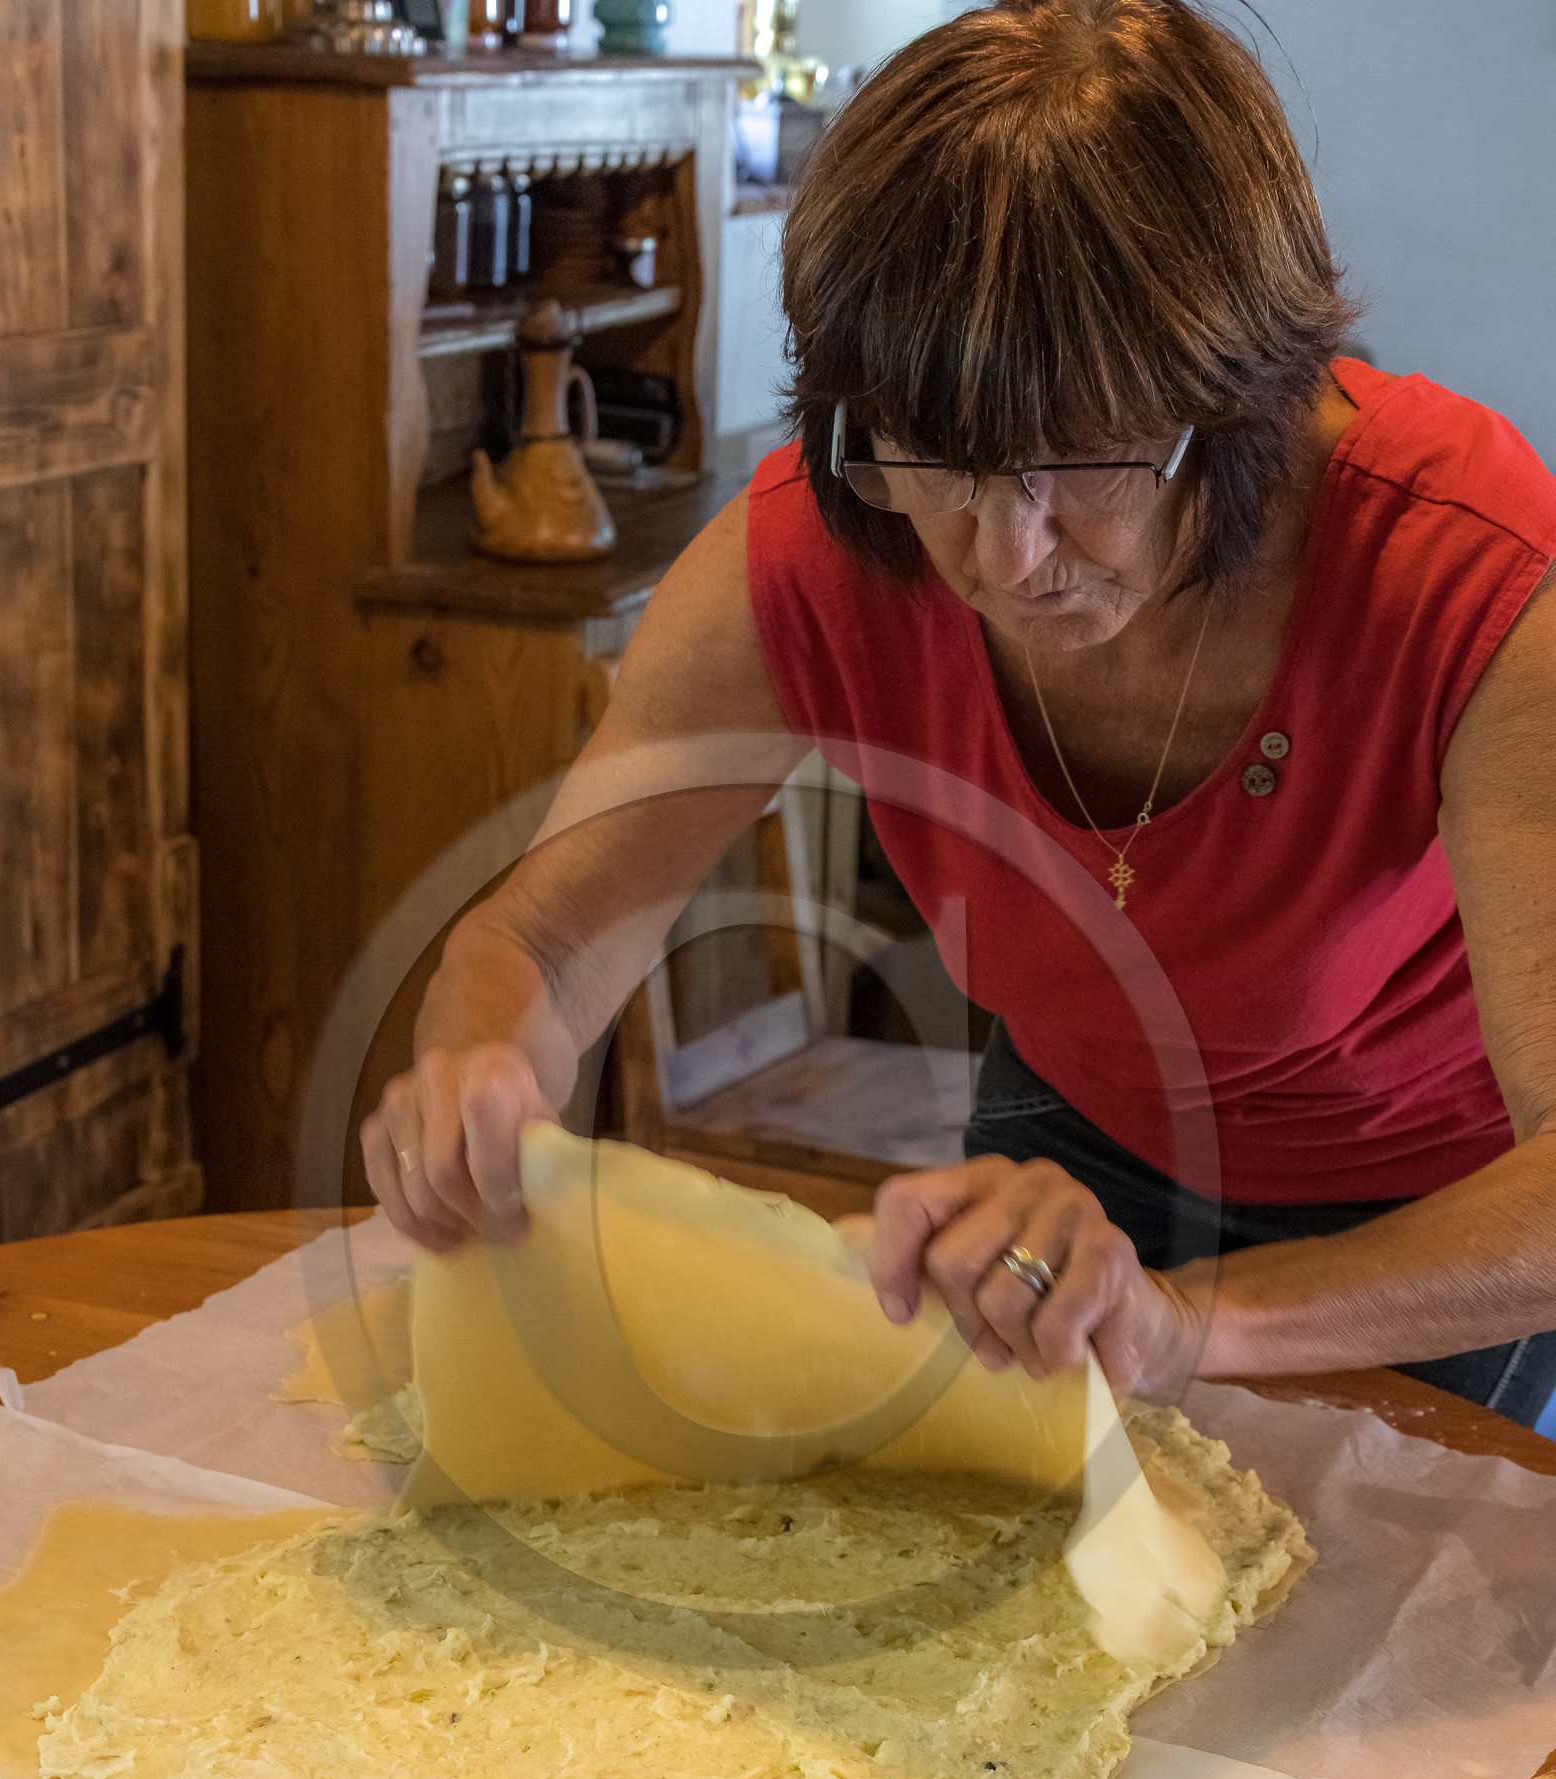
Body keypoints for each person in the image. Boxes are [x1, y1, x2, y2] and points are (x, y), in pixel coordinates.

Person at [362, 0, 1556, 1426]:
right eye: (937, 463)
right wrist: (480, 1063)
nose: (1005, 558)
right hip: (1070, 1146)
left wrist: (1182, 1322)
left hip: (1434, 1201)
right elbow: (547, 938)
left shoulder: (1470, 575)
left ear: (1237, 406)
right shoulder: (816, 546)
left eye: (1083, 465)